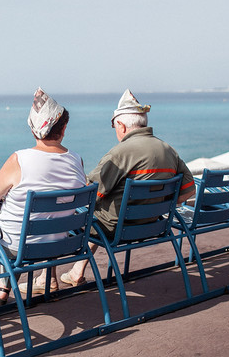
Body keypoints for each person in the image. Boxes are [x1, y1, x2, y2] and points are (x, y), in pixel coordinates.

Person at [0, 88, 87, 318]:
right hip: (60, 244)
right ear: (64, 128)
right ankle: (4, 288)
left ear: (33, 128)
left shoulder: (21, 159)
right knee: (20, 223)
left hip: (19, 247)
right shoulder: (77, 160)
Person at [61, 89, 196, 287]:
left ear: (121, 126)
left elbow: (90, 194)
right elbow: (189, 190)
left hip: (119, 229)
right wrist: (160, 206)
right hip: (154, 225)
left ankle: (46, 279)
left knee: (81, 216)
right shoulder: (168, 150)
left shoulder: (119, 154)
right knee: (105, 212)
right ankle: (76, 271)